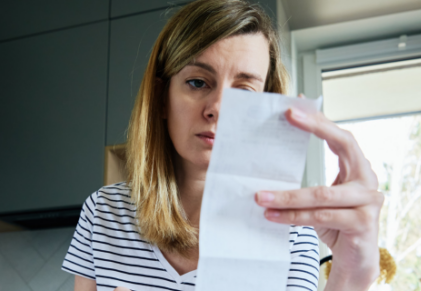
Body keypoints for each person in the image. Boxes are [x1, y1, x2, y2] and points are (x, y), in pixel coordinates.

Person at [62, 0, 384, 290]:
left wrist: (349, 279)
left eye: (244, 91)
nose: (218, 107)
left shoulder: (294, 232)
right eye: (198, 82)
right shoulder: (103, 213)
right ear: (162, 98)